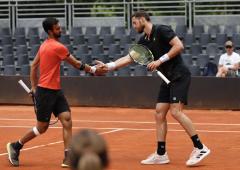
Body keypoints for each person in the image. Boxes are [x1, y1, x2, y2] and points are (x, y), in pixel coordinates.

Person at [97, 11, 210, 166]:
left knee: (176, 111)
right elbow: (130, 58)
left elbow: (179, 46)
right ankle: (161, 154)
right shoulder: (144, 40)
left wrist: (159, 61)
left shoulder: (162, 29)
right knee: (159, 112)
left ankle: (200, 147)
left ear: (142, 19)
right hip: (167, 78)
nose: (133, 26)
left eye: (135, 23)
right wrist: (109, 66)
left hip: (179, 75)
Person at [6, 17, 102, 168]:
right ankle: (15, 146)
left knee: (67, 119)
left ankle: (68, 157)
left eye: (60, 27)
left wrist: (33, 87)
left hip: (55, 91)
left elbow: (33, 66)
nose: (60, 30)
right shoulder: (58, 47)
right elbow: (77, 64)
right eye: (58, 28)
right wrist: (95, 70)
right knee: (41, 128)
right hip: (45, 92)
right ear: (50, 31)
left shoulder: (44, 45)